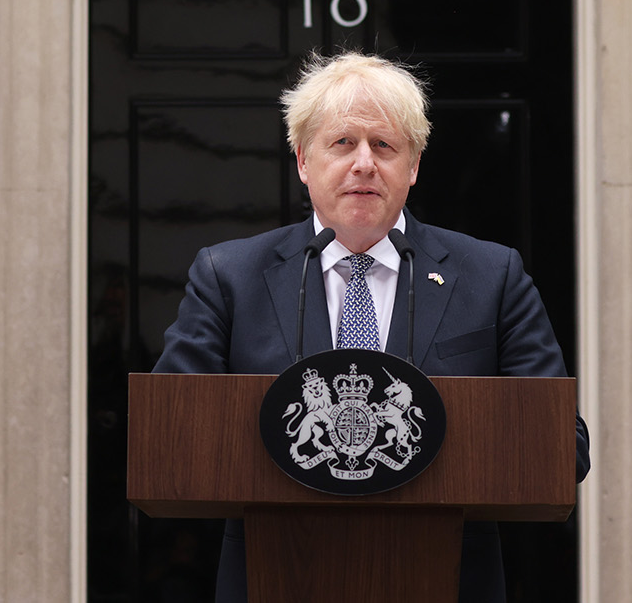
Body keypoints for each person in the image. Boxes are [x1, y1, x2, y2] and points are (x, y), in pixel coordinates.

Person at [154, 50, 589, 603]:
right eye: (342, 143)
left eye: (384, 145)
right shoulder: (229, 277)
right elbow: (169, 442)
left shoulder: (491, 276)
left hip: (447, 581)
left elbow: (563, 448)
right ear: (303, 160)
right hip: (277, 577)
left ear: (413, 166)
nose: (364, 163)